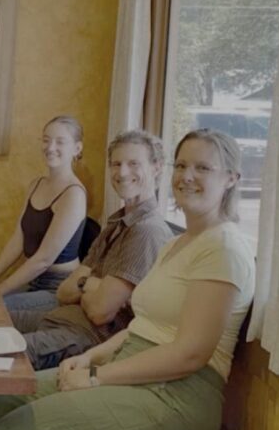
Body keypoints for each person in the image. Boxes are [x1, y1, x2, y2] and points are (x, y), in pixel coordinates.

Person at [0, 128, 255, 430]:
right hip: (131, 365)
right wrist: (90, 357)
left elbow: (189, 355)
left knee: (23, 429)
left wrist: (96, 377)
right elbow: (143, 326)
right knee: (2, 400)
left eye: (203, 168)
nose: (187, 176)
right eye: (182, 165)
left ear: (231, 179)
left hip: (177, 398)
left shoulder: (224, 248)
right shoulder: (178, 243)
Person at [12, 130, 173, 370]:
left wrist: (86, 283)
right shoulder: (115, 223)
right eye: (116, 164)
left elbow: (99, 312)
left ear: (157, 167)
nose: (122, 172)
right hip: (61, 317)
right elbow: (64, 292)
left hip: (86, 338)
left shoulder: (146, 231)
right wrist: (94, 284)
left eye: (133, 164)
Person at [0, 116, 87, 313]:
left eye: (60, 142)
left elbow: (43, 260)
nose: (50, 147)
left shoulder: (74, 194)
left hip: (58, 288)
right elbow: (18, 239)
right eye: (46, 140)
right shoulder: (36, 184)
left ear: (77, 149)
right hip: (33, 280)